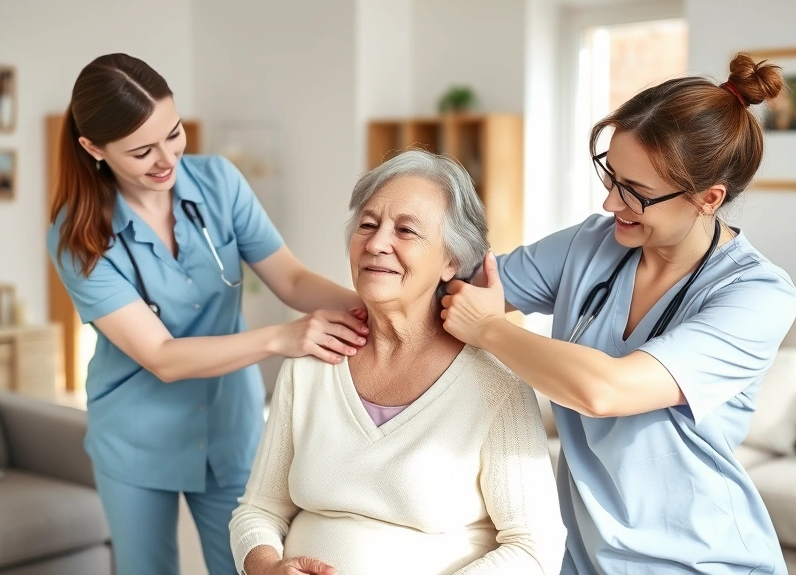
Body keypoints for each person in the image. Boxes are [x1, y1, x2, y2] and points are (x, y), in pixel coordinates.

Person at [441, 53, 796, 573]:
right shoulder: (590, 245)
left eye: (636, 193)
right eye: (611, 176)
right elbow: (460, 290)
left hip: (702, 561)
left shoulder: (757, 294)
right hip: (581, 553)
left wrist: (489, 328)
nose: (611, 203)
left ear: (708, 198)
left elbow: (604, 392)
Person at [46, 53, 368, 575]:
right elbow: (162, 356)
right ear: (93, 149)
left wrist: (377, 307)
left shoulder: (219, 181)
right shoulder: (78, 235)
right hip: (135, 436)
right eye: (141, 151)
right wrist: (281, 339)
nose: (166, 158)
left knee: (247, 565)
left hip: (228, 425)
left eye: (173, 134)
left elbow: (291, 278)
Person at [229, 150, 561, 575]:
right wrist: (266, 567)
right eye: (367, 224)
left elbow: (535, 549)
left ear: (451, 262)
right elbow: (257, 510)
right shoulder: (314, 359)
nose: (376, 243)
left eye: (406, 230)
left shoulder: (495, 383)